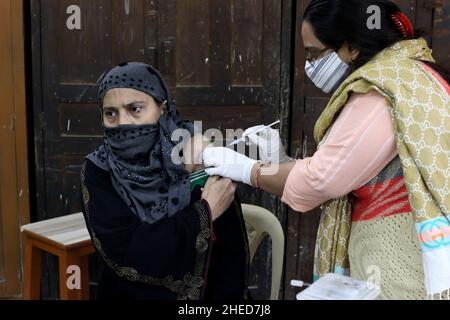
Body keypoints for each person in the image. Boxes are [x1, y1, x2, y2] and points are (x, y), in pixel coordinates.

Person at [202, 0, 450, 299]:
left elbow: (320, 180)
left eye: (313, 53)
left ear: (350, 48)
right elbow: (349, 170)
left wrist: (246, 169)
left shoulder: (379, 91)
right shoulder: (412, 74)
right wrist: (283, 163)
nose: (308, 65)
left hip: (398, 262)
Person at [79, 62, 250, 300]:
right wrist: (204, 213)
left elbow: (230, 261)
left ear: (163, 107)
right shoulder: (99, 170)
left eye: (135, 109)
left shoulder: (199, 158)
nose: (122, 122)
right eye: (111, 113)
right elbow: (125, 254)